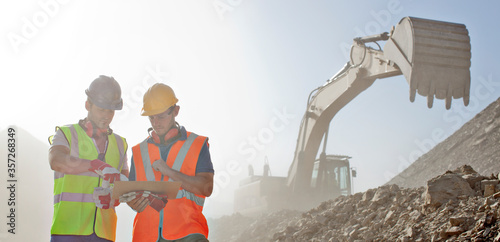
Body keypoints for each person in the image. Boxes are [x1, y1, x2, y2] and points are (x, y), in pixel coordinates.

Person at [127, 83, 214, 242]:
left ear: (176, 111)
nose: (155, 123)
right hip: (145, 236)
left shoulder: (197, 144)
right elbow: (132, 195)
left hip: (188, 233)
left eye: (161, 116)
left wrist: (170, 172)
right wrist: (133, 203)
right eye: (151, 117)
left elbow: (207, 188)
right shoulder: (138, 152)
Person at [48, 75, 129, 242]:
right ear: (87, 105)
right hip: (67, 232)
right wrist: (95, 165)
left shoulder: (121, 144)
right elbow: (56, 160)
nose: (107, 116)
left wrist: (113, 197)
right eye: (101, 109)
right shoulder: (67, 134)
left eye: (111, 110)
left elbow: (124, 185)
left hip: (105, 234)